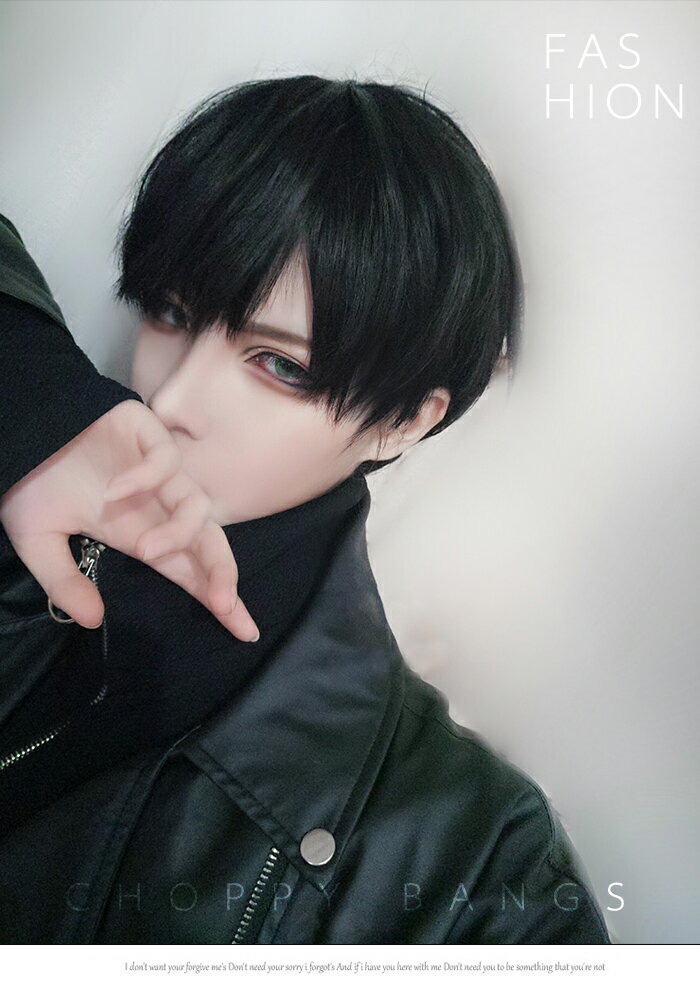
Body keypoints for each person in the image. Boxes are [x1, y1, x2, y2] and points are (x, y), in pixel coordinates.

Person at [0, 75, 611, 945]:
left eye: (279, 365)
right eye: (170, 312)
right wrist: (30, 394)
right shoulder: (25, 508)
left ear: (404, 422)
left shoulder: (477, 862)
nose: (172, 399)